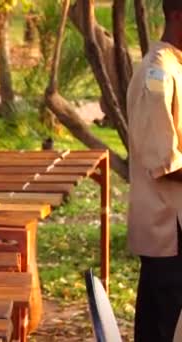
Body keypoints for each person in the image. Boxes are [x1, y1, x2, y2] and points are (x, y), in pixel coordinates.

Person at [127, 1, 182, 341]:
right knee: (165, 326)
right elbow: (165, 163)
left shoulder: (175, 66)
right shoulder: (156, 73)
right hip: (167, 231)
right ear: (177, 14)